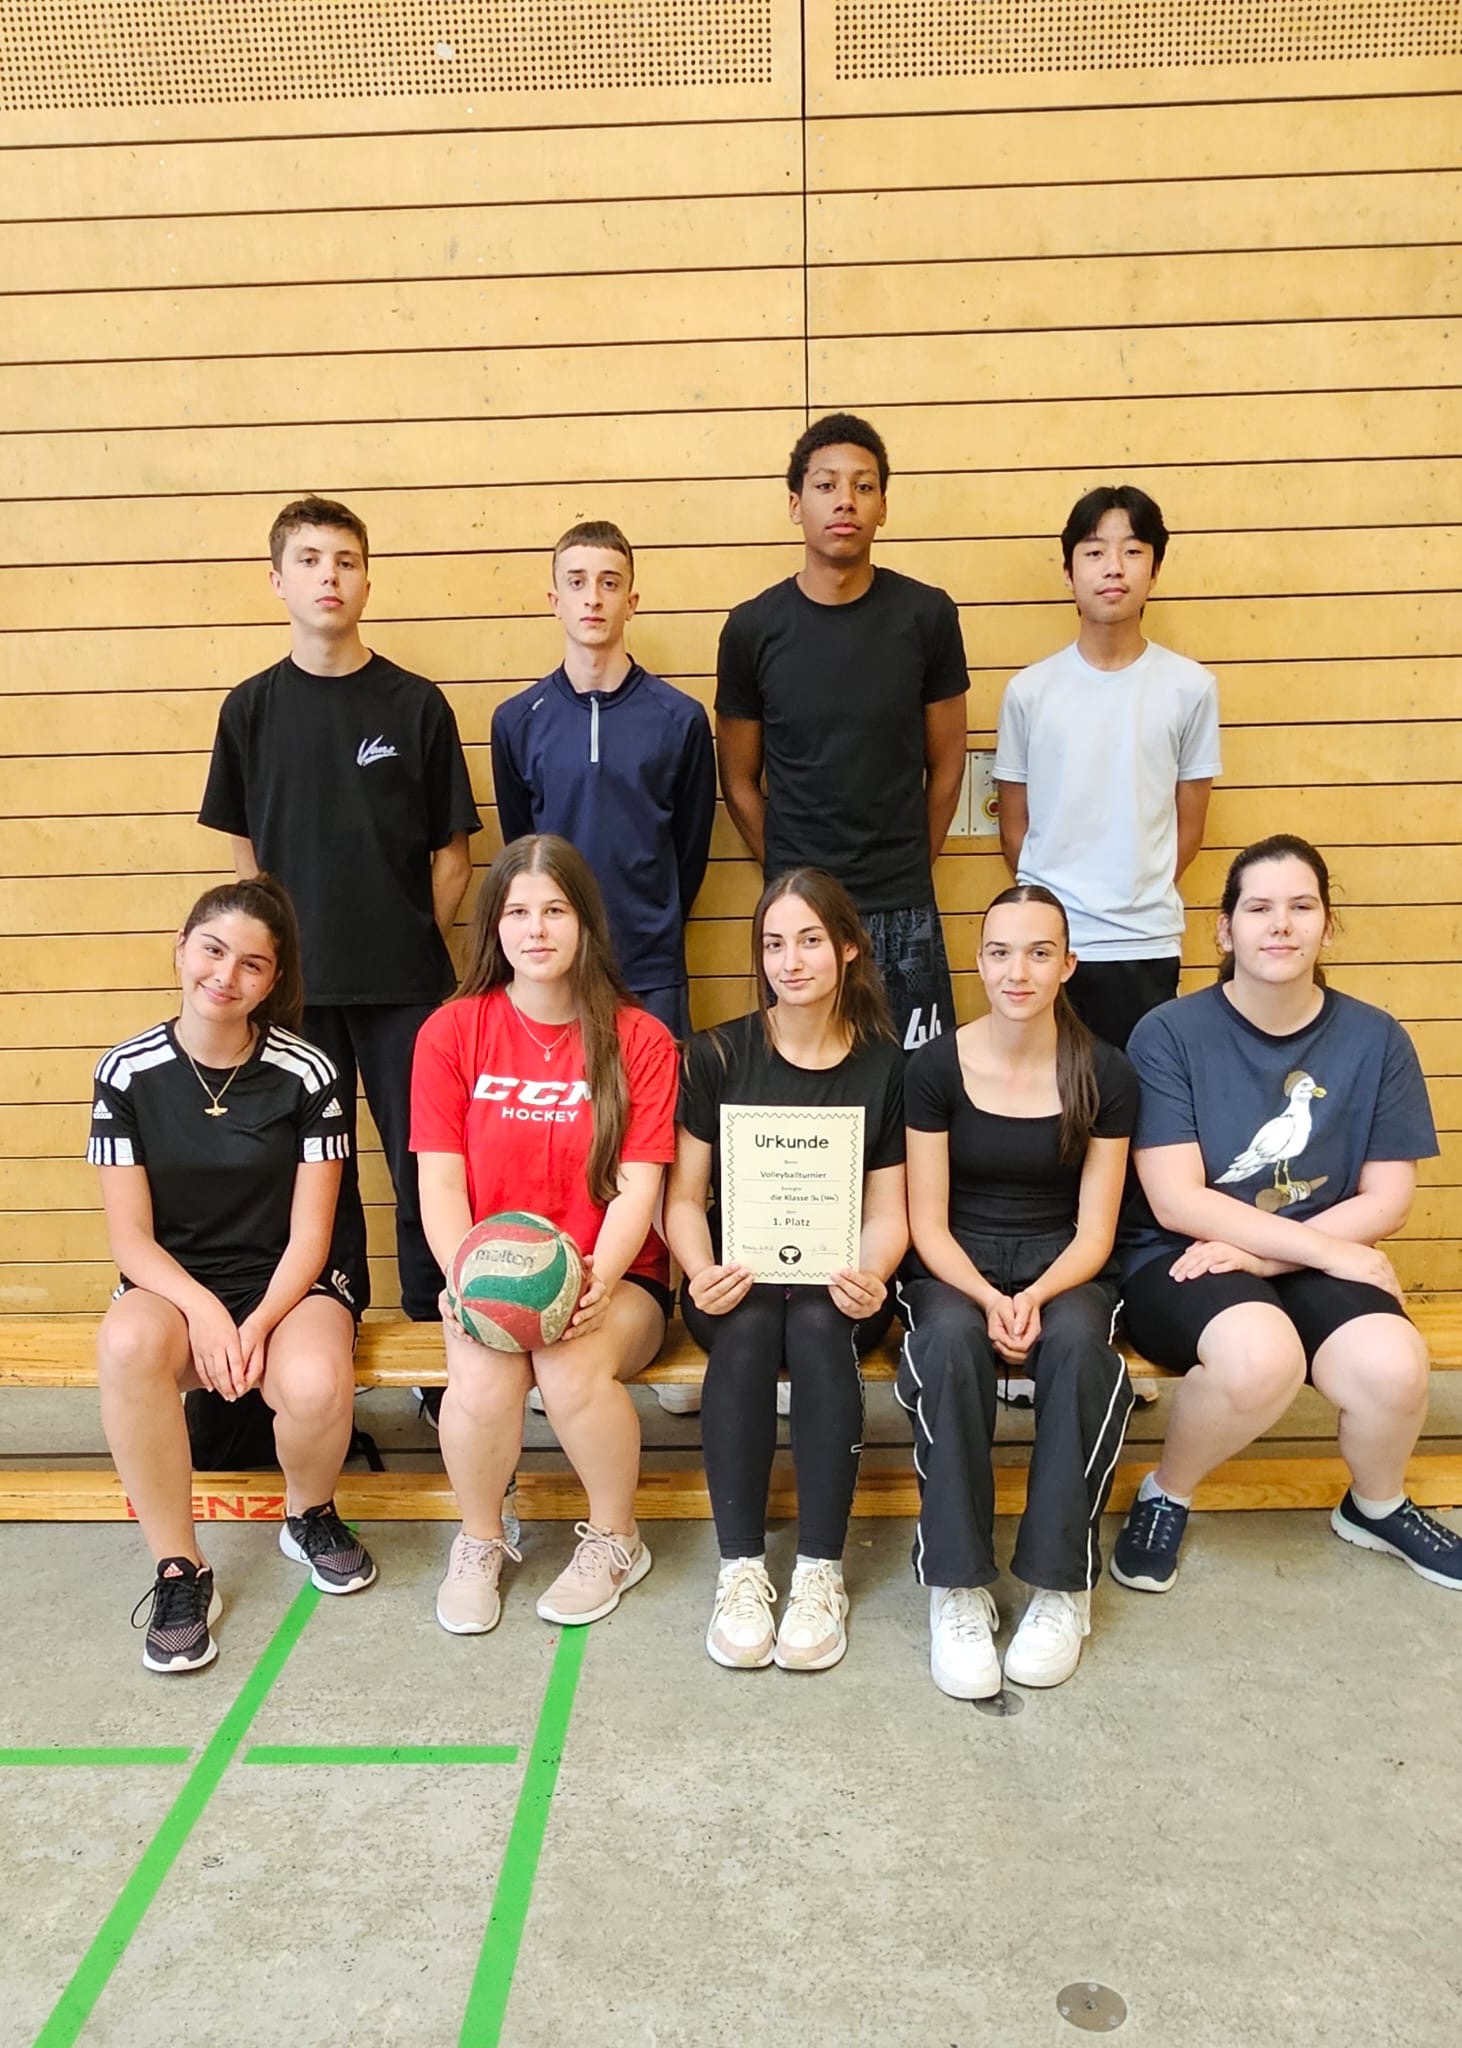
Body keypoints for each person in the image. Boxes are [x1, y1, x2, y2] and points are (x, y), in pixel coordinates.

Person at [1110, 834, 1461, 1593]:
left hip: (1298, 1249)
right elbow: (1176, 1198)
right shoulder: (1168, 1033)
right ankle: (1167, 1492)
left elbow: (1388, 1199)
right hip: (1185, 1254)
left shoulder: (1376, 1038)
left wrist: (1271, 1255)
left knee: (1393, 1365)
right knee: (1261, 1359)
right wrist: (1323, 1252)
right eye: (1259, 908)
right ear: (1224, 930)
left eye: (1302, 906)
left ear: (1328, 926)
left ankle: (1375, 1505)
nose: (1280, 924)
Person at [199, 495, 481, 1324]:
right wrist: (270, 955)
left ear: (366, 581)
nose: (330, 576)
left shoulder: (416, 704)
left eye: (346, 561)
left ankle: (437, 1341)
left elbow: (454, 856)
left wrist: (409, 936)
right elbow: (246, 851)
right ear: (278, 580)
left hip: (406, 989)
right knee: (318, 1174)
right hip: (292, 993)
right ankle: (330, 1329)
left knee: (425, 1167)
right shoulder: (249, 709)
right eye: (311, 560)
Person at [90, 877, 374, 1675]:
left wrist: (254, 1323)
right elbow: (130, 1239)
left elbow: (313, 1235)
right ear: (181, 950)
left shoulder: (309, 1072)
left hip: (288, 1283)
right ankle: (180, 1569)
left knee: (314, 1382)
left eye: (252, 964)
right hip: (174, 1287)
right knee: (125, 1345)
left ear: (274, 979)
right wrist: (207, 1314)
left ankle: (308, 1513)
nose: (226, 975)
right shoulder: (125, 1072)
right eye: (213, 951)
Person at [410, 835, 678, 1635]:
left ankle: (617, 1538)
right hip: (487, 1272)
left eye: (555, 910)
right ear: (493, 926)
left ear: (585, 922)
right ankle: (481, 1538)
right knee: (483, 1379)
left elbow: (639, 1184)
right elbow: (440, 1181)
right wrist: (466, 1283)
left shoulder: (639, 1038)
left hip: (615, 1278)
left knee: (567, 1364)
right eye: (518, 911)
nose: (536, 929)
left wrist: (593, 1282)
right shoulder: (451, 1032)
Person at [896, 886, 1137, 1697]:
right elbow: (927, 1224)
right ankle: (956, 1585)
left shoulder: (1105, 1071)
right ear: (979, 961)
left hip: (1064, 1262)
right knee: (948, 1343)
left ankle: (1062, 1585)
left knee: (1079, 1347)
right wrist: (987, 1297)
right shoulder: (933, 1068)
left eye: (1039, 953)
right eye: (1000, 953)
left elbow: (1096, 1232)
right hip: (955, 1261)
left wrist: (1033, 1294)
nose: (1018, 972)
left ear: (1068, 964)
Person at [665, 870, 908, 1672]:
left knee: (815, 1324)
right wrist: (699, 1269)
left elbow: (889, 1209)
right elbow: (683, 1199)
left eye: (809, 941)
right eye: (774, 944)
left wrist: (872, 1271)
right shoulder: (717, 1054)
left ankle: (818, 1572)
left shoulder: (884, 1065)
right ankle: (739, 1569)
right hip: (733, 1277)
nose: (790, 961)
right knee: (748, 1326)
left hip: (843, 1282)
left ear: (849, 948)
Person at [716, 414, 969, 1053]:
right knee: (805, 1077)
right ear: (795, 504)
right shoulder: (752, 628)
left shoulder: (927, 615)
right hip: (799, 911)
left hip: (903, 902)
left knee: (915, 1081)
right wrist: (787, 871)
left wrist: (909, 864)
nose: (845, 501)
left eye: (864, 485)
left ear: (883, 505)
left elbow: (948, 766)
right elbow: (738, 780)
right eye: (826, 485)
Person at [995, 484, 1222, 1049]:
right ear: (1069, 573)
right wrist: (1050, 912)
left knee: (1140, 1092)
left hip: (1145, 942)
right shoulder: (1029, 691)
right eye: (1094, 551)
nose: (1113, 567)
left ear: (1155, 568)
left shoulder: (1190, 688)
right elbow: (1014, 826)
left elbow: (1190, 825)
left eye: (1133, 550)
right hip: (1048, 940)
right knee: (1051, 1093)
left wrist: (1137, 890)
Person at [490, 519, 716, 1041]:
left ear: (631, 602)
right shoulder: (517, 720)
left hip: (650, 968)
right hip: (553, 967)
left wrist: (654, 919)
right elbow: (522, 847)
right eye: (577, 582)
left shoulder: (679, 719)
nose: (593, 597)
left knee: (657, 1096)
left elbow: (690, 849)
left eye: (609, 583)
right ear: (555, 601)